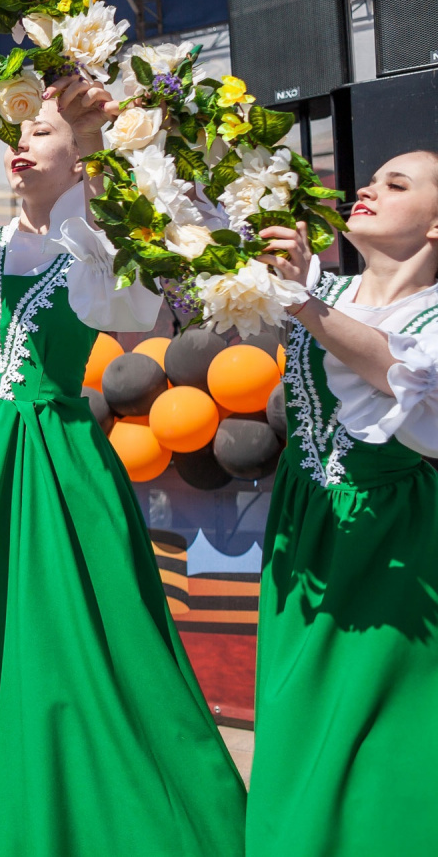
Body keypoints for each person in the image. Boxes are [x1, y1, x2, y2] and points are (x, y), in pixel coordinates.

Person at [0, 8, 247, 850]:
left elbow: (126, 273)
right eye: (21, 128)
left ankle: (122, 804)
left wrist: (95, 140)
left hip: (54, 462)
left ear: (82, 154)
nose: (23, 141)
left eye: (44, 130)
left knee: (82, 635)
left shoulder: (92, 243)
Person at [246, 153, 438, 857]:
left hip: (392, 547)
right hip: (304, 536)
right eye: (371, 179)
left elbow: (403, 374)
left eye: (398, 184)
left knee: (385, 739)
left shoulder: (432, 315)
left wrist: (303, 299)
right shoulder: (320, 288)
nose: (368, 189)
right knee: (298, 722)